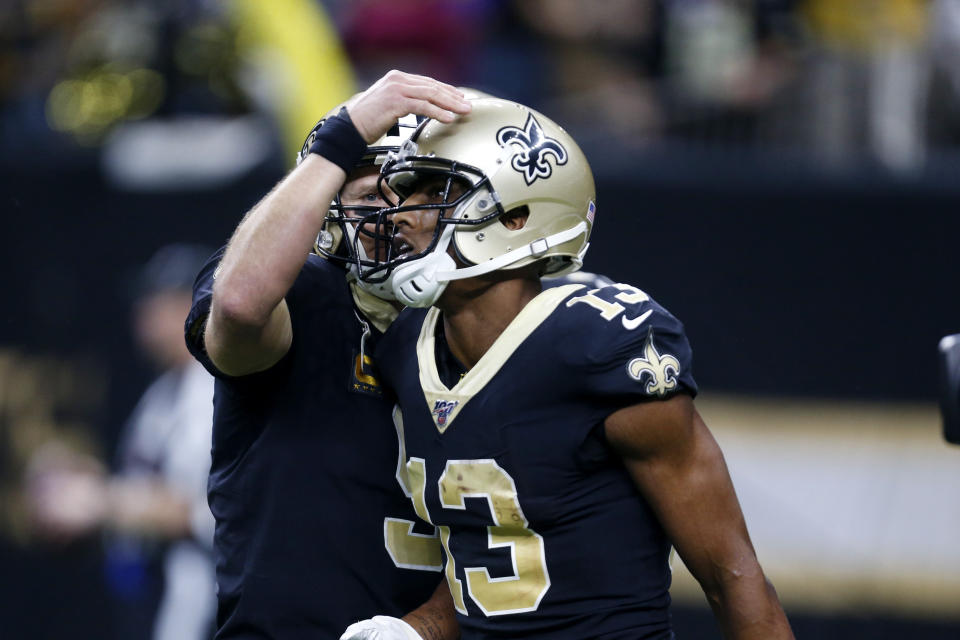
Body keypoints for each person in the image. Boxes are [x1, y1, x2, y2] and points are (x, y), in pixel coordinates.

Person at [351, 96, 794, 638]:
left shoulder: (593, 345)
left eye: (437, 192)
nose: (404, 214)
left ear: (516, 216)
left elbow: (732, 575)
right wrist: (418, 629)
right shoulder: (406, 347)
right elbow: (496, 553)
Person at [183, 71, 472, 639]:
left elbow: (515, 535)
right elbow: (239, 304)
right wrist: (339, 140)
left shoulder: (484, 321)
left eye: (414, 194)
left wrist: (423, 628)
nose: (392, 217)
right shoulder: (305, 295)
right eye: (370, 195)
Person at [28, 243, 218, 640]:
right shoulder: (161, 394)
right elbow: (141, 487)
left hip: (204, 605)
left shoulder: (211, 389)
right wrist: (81, 481)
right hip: (152, 601)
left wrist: (97, 500)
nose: (143, 317)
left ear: (193, 303)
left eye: (158, 303)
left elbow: (198, 511)